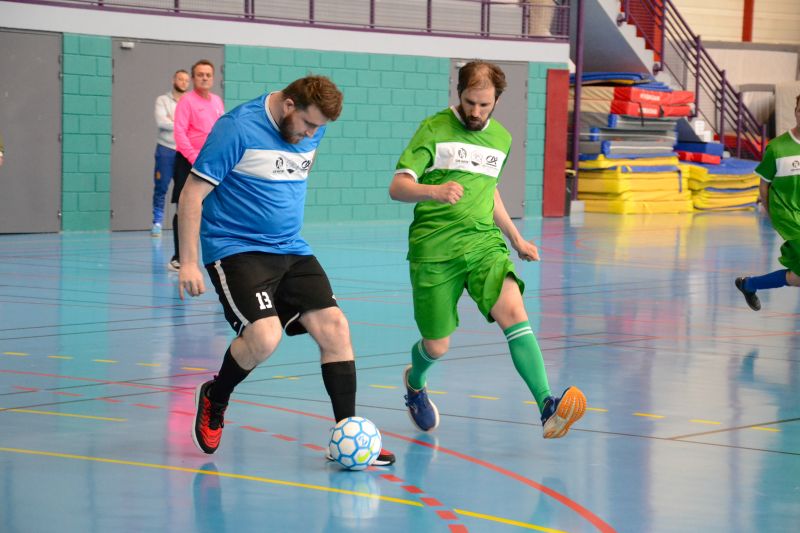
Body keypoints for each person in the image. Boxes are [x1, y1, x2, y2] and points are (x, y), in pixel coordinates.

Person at [179, 75, 395, 465]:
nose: (311, 133)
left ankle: (349, 436)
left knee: (336, 328)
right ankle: (215, 396)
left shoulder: (311, 129)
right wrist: (190, 262)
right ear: (289, 105)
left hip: (291, 248)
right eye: (308, 124)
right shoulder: (237, 128)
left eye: (318, 128)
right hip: (237, 248)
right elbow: (192, 193)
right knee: (264, 337)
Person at [389, 60, 586, 438]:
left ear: (497, 100)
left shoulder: (501, 139)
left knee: (513, 310)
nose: (476, 112)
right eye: (469, 102)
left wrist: (516, 238)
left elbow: (489, 189)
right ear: (458, 94)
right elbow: (398, 187)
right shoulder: (433, 129)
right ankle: (415, 384)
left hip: (483, 243)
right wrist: (433, 190)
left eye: (484, 104)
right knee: (437, 345)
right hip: (434, 249)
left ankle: (547, 406)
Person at [736, 93, 800, 310]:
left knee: (797, 278)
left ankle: (749, 284)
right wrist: (771, 213)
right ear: (795, 112)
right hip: (787, 214)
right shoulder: (777, 148)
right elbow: (764, 185)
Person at [170, 59, 224, 270]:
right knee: (185, 208)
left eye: (208, 75)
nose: (204, 78)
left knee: (215, 209)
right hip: (188, 163)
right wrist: (194, 159)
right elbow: (180, 133)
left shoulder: (217, 102)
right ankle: (179, 257)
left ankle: (218, 255)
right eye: (200, 74)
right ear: (193, 78)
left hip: (211, 164)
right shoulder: (186, 102)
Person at [151, 69, 190, 237]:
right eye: (180, 79)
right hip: (165, 150)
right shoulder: (162, 100)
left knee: (183, 189)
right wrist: (183, 124)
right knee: (161, 187)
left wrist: (173, 121)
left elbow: (194, 125)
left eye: (186, 80)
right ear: (174, 80)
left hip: (184, 150)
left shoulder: (190, 102)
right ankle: (157, 222)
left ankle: (182, 222)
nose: (183, 82)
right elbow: (162, 122)